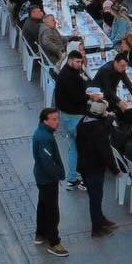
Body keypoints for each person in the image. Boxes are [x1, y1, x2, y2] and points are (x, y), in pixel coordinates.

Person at [74, 94, 120, 237]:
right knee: (95, 198)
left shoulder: (83, 122)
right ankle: (97, 229)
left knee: (95, 197)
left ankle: (100, 219)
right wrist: (115, 170)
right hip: (94, 168)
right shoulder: (98, 129)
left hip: (83, 165)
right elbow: (105, 152)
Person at [52, 49, 90, 190]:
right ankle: (84, 179)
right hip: (75, 117)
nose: (80, 64)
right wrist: (90, 96)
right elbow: (78, 97)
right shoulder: (69, 77)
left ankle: (72, 178)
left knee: (73, 147)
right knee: (84, 148)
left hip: (66, 116)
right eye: (77, 62)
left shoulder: (68, 73)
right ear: (70, 61)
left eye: (81, 62)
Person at [32, 108, 68, 256]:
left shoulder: (42, 133)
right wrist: (57, 175)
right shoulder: (45, 138)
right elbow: (47, 162)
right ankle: (54, 242)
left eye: (57, 118)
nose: (57, 122)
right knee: (52, 211)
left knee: (43, 206)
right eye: (54, 119)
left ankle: (41, 234)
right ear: (45, 121)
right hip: (47, 179)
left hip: (42, 177)